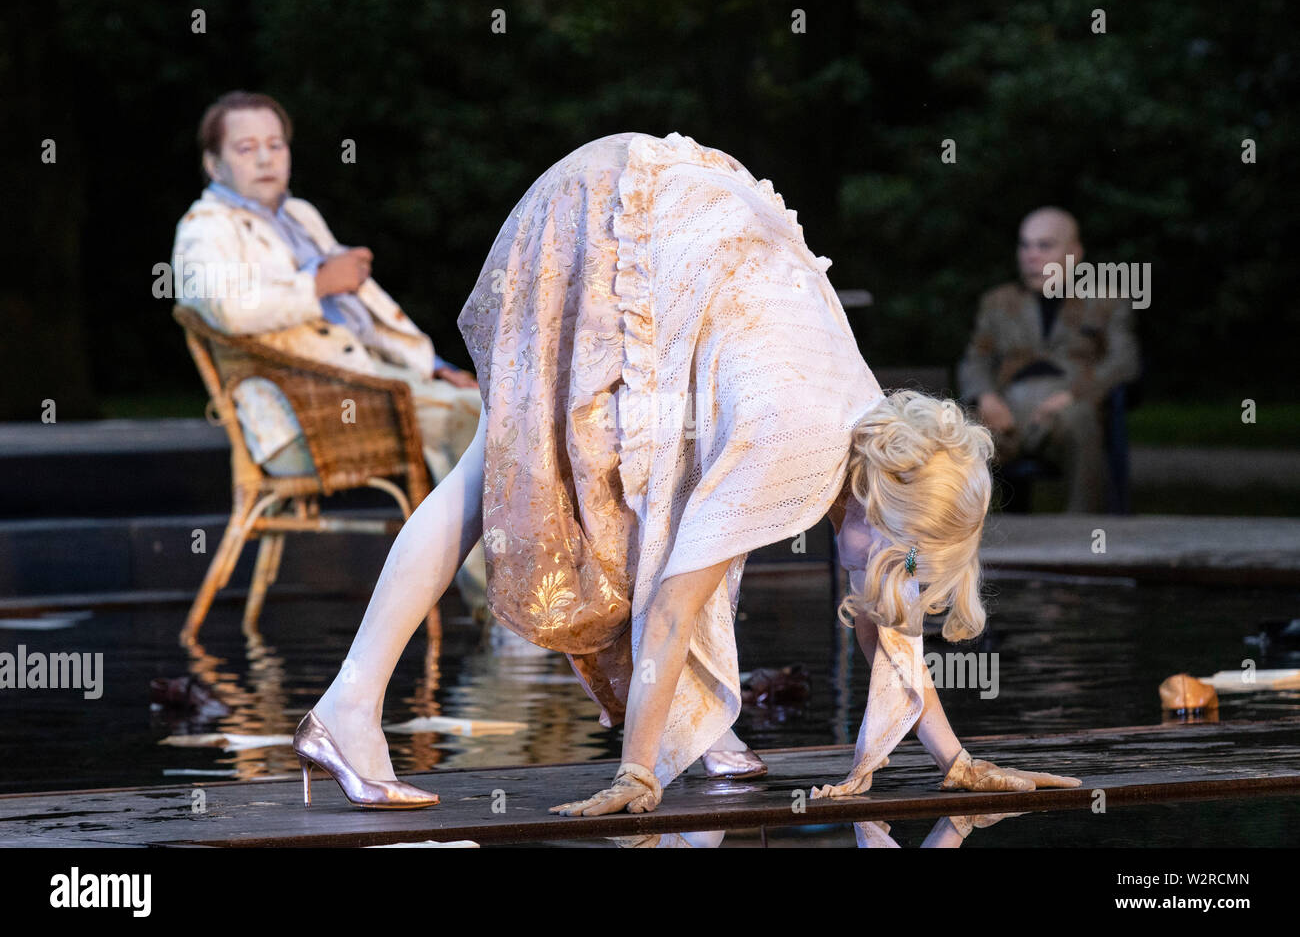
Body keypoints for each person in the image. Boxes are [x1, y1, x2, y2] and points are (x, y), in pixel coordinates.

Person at [293, 132, 1081, 813]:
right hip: (606, 221)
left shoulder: (880, 436)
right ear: (879, 509)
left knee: (652, 500)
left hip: (673, 222)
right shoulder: (797, 444)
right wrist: (637, 772)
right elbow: (673, 605)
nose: (897, 585)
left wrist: (955, 759)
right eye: (905, 559)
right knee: (498, 469)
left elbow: (885, 602)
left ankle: (704, 726)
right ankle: (348, 708)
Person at [172, 91, 488, 619]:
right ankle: (502, 615)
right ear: (214, 162)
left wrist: (435, 367)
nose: (267, 158)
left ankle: (537, 601)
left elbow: (362, 302)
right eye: (247, 148)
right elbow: (226, 309)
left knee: (497, 407)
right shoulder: (206, 230)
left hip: (368, 386)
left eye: (276, 144)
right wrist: (316, 282)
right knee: (478, 423)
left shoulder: (297, 214)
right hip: (305, 418)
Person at [957, 207, 1141, 512]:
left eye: (1044, 245)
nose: (1031, 255)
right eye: (1025, 245)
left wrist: (1072, 396)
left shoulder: (1107, 301)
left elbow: (1125, 363)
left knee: (1081, 420)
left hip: (1067, 411)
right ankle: (960, 540)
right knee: (955, 430)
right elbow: (975, 359)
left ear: (1074, 252)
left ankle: (1083, 533)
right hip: (1007, 415)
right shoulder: (998, 302)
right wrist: (986, 397)